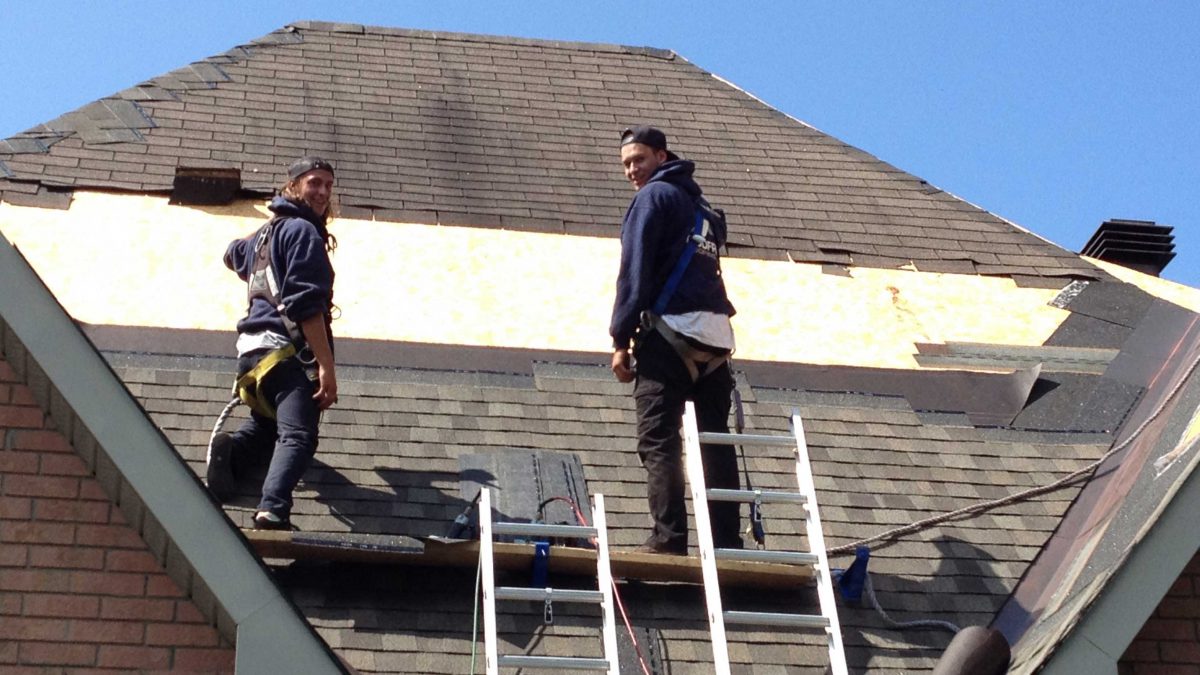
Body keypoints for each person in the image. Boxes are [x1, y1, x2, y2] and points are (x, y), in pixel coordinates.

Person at [610, 126, 742, 555]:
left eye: (639, 160)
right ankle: (726, 542)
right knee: (713, 442)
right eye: (627, 163)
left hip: (671, 336)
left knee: (659, 437)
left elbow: (635, 271)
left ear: (661, 157)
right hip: (717, 340)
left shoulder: (653, 198)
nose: (633, 170)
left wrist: (621, 338)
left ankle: (668, 538)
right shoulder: (702, 208)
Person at [206, 156, 339, 530]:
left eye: (328, 185)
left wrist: (274, 219)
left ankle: (231, 459)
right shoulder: (302, 233)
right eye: (314, 183)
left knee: (269, 428)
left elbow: (231, 252)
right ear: (293, 186)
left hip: (251, 355)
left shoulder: (270, 233)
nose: (323, 192)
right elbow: (306, 304)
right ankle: (273, 509)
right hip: (287, 353)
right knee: (299, 433)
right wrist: (325, 367)